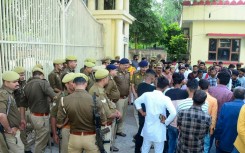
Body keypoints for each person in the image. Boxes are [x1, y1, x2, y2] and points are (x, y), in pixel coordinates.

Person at [56, 73, 107, 153]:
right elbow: (104, 122)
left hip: (74, 137)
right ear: (86, 84)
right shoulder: (95, 100)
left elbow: (59, 124)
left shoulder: (64, 100)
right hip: (91, 138)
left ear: (73, 84)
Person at [134, 76, 176, 153]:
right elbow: (173, 113)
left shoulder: (147, 95)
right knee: (159, 150)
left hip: (148, 128)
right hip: (159, 130)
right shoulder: (166, 98)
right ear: (166, 86)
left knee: (145, 149)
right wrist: (166, 122)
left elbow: (136, 102)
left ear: (156, 84)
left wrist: (142, 112)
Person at [20, 68, 57, 153]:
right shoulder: (43, 83)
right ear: (41, 75)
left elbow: (22, 104)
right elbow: (54, 96)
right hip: (41, 117)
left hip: (33, 115)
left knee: (39, 137)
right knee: (41, 142)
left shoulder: (27, 85)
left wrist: (22, 118)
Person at [89, 69, 121, 152]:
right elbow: (108, 114)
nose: (109, 79)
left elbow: (107, 104)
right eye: (108, 77)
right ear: (103, 79)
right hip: (103, 125)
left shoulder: (99, 88)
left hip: (103, 124)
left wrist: (115, 110)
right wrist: (117, 114)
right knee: (104, 147)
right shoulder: (98, 91)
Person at [50, 73, 75, 153]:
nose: (76, 83)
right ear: (66, 84)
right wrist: (54, 134)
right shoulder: (60, 97)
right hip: (66, 129)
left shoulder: (79, 94)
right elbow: (53, 116)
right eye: (73, 82)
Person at [215, 87, 245, 153]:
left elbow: (220, 124)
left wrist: (217, 137)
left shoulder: (226, 106)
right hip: (239, 144)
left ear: (233, 95)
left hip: (224, 139)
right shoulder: (243, 107)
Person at [0, 71, 24, 153]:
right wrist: (8, 129)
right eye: (14, 82)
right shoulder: (3, 94)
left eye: (17, 81)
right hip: (10, 133)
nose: (17, 83)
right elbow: (1, 115)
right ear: (6, 82)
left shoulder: (9, 93)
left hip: (14, 130)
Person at [165, 73, 188, 153]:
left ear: (173, 80)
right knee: (180, 145)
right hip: (181, 124)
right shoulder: (185, 93)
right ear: (182, 81)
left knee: (171, 143)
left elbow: (166, 109)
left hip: (171, 122)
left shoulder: (167, 93)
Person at [134, 69, 156, 153]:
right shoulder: (152, 88)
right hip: (147, 113)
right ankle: (138, 149)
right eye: (154, 78)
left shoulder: (140, 85)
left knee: (141, 129)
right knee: (143, 132)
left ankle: (138, 148)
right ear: (152, 77)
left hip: (141, 111)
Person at [13, 66, 33, 153]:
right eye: (21, 75)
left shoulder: (24, 83)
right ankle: (26, 148)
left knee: (33, 125)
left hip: (26, 108)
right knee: (22, 129)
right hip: (17, 109)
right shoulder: (13, 85)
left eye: (23, 74)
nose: (23, 76)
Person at [199, 79, 218, 152]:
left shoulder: (194, 96)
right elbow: (213, 116)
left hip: (195, 125)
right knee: (205, 146)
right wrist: (211, 129)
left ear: (199, 87)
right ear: (209, 86)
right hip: (206, 127)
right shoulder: (213, 100)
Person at [105, 64, 121, 152]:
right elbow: (106, 93)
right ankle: (110, 145)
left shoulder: (111, 79)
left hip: (112, 102)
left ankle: (110, 144)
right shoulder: (110, 81)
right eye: (115, 70)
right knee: (112, 125)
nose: (116, 71)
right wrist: (109, 103)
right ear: (110, 71)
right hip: (111, 103)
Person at [114, 58, 130, 137]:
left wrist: (129, 97)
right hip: (118, 98)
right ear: (120, 65)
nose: (126, 66)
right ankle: (114, 132)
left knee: (123, 115)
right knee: (118, 115)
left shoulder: (128, 73)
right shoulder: (116, 73)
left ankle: (119, 130)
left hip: (126, 97)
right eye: (124, 65)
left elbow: (129, 85)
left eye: (127, 65)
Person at [131, 60, 148, 127]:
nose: (144, 69)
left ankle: (145, 130)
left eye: (145, 67)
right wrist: (135, 95)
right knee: (136, 113)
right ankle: (139, 129)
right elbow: (132, 85)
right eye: (142, 67)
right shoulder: (135, 74)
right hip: (137, 95)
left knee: (146, 113)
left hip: (146, 97)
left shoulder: (149, 74)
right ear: (139, 67)